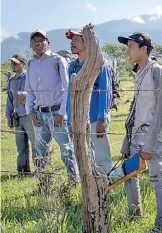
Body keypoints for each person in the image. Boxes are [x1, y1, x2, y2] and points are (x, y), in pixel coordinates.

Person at [118, 32, 162, 233]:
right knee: (130, 175)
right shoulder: (138, 73)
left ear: (144, 49)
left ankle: (161, 224)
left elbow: (160, 109)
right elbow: (134, 108)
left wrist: (150, 143)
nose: (127, 50)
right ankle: (134, 213)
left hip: (150, 135)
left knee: (157, 178)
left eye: (131, 46)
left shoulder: (156, 71)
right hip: (135, 134)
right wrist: (126, 138)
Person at [25, 29, 80, 187]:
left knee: (66, 149)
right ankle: (43, 185)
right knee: (40, 151)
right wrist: (30, 112)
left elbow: (67, 88)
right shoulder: (30, 64)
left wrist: (62, 113)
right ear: (31, 44)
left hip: (57, 113)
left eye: (41, 40)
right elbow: (29, 90)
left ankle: (73, 182)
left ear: (47, 42)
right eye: (34, 40)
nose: (38, 43)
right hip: (39, 115)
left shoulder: (57, 60)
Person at [65, 28, 113, 174]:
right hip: (78, 119)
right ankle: (90, 187)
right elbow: (69, 95)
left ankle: (105, 187)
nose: (72, 43)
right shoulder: (72, 66)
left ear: (88, 42)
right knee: (84, 156)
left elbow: (106, 92)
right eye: (72, 40)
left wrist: (101, 119)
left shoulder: (99, 64)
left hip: (94, 118)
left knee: (101, 157)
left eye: (76, 40)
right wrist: (69, 119)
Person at [6, 53, 37, 175]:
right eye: (12, 62)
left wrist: (24, 96)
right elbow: (9, 99)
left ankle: (40, 170)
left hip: (29, 115)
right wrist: (8, 116)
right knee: (21, 146)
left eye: (16, 62)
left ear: (23, 64)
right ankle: (23, 171)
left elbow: (34, 94)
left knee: (36, 144)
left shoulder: (29, 77)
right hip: (17, 116)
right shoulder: (11, 81)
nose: (13, 65)